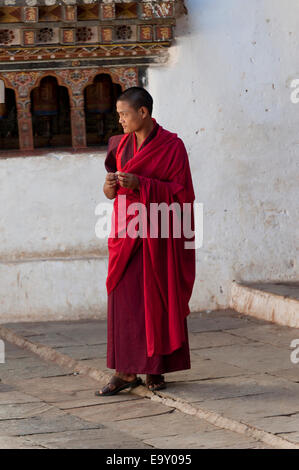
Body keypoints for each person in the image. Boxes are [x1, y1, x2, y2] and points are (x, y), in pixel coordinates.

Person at [95, 87, 196, 396]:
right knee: (125, 301)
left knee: (157, 296)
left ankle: (155, 367)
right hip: (125, 235)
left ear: (143, 113)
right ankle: (125, 371)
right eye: (118, 114)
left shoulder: (172, 147)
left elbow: (181, 193)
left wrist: (143, 184)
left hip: (159, 234)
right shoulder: (119, 145)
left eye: (124, 114)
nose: (121, 120)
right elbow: (111, 193)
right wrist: (110, 188)